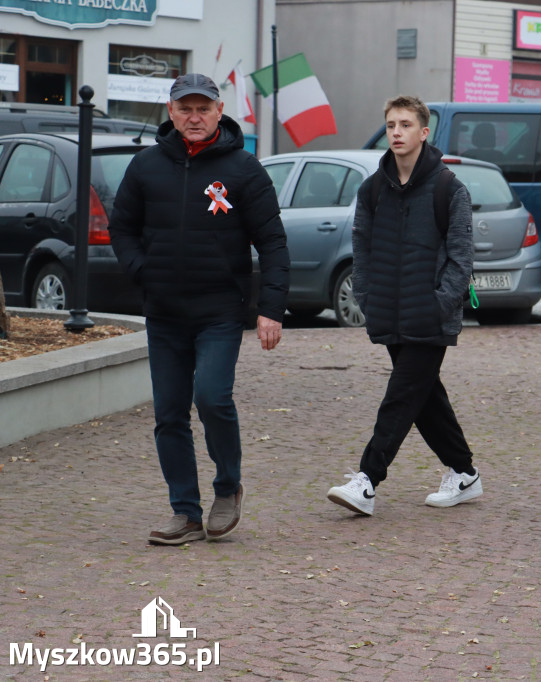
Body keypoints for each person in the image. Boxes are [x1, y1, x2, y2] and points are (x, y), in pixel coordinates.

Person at [109, 73, 290, 545]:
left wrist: (271, 309)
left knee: (211, 397)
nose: (194, 117)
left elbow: (272, 242)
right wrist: (142, 270)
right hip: (164, 312)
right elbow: (121, 227)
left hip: (219, 312)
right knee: (169, 413)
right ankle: (185, 513)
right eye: (185, 108)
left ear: (218, 111)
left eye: (203, 109)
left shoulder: (244, 169)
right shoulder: (146, 166)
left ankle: (227, 488)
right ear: (170, 111)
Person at [327, 95, 481, 516]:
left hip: (430, 316)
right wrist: (368, 297)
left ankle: (367, 480)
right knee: (423, 396)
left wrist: (439, 304)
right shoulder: (372, 188)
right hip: (389, 312)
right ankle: (464, 474)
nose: (397, 132)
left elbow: (461, 258)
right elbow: (362, 246)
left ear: (424, 132)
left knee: (401, 396)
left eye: (406, 124)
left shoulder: (450, 189)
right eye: (391, 124)